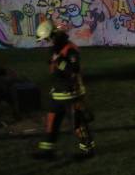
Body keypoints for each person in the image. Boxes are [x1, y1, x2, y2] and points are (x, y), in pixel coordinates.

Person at [33, 20, 96, 160]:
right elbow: (51, 64)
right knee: (51, 123)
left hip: (71, 94)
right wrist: (54, 59)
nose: (47, 42)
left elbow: (73, 70)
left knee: (78, 125)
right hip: (57, 93)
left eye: (47, 39)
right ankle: (47, 151)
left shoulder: (70, 49)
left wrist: (59, 61)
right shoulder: (55, 48)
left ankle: (87, 151)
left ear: (53, 35)